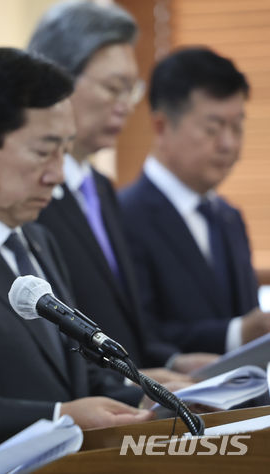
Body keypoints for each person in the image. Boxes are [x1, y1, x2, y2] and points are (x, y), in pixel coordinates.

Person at [0, 47, 151, 443]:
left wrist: (147, 393)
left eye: (65, 152)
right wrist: (57, 416)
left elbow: (71, 373)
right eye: (42, 151)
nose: (57, 175)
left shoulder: (39, 239)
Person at [29, 0, 217, 379]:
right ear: (57, 79)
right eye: (114, 88)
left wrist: (170, 363)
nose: (126, 107)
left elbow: (126, 321)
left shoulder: (100, 187)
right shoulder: (30, 193)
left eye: (131, 90)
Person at [119, 47, 266, 354]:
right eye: (212, 128)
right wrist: (238, 332)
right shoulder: (123, 216)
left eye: (237, 126)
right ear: (161, 127)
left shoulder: (228, 215)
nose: (229, 144)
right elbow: (139, 336)